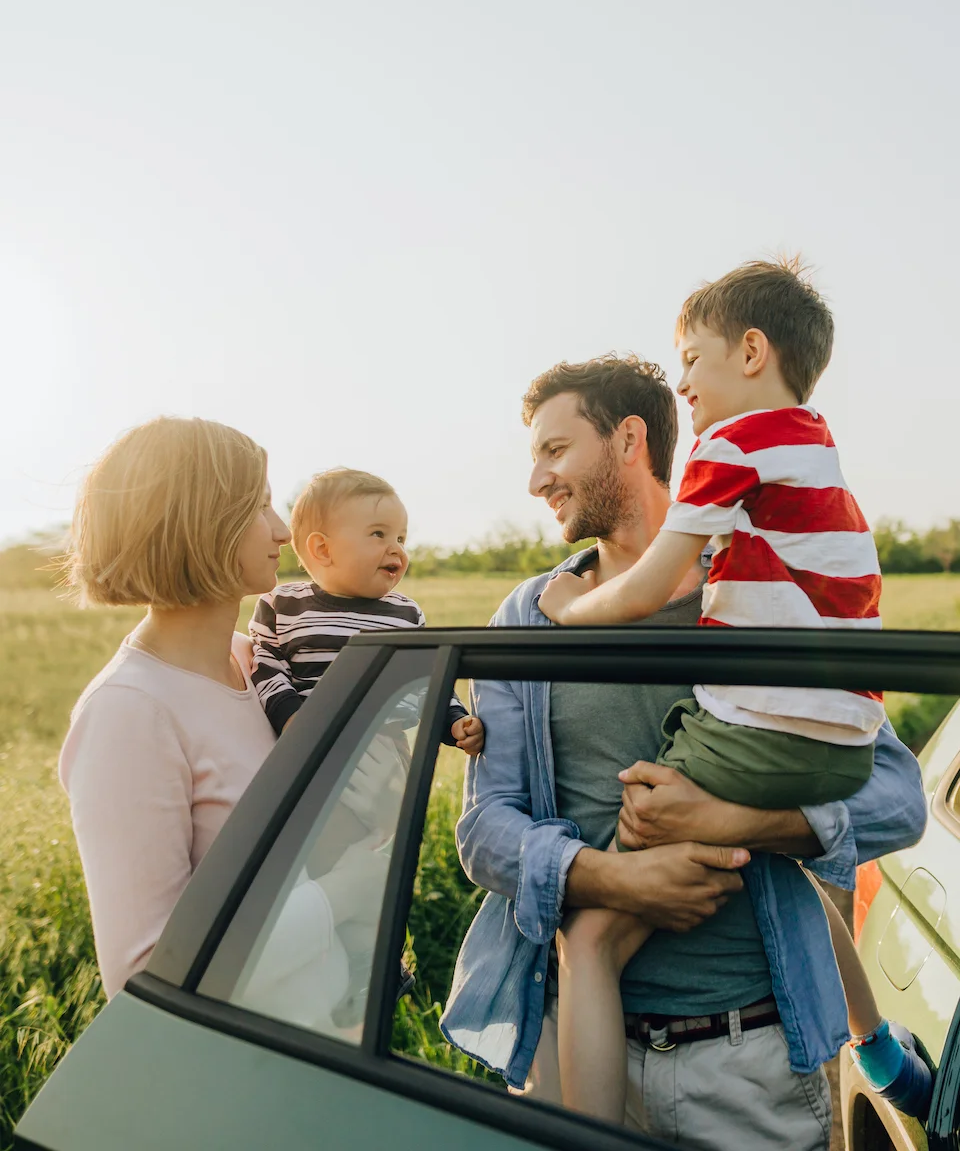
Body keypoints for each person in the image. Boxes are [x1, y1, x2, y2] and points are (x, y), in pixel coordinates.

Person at [440, 351, 927, 1151]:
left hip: (752, 1064)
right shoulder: (527, 619)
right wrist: (613, 876)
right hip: (571, 1049)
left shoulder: (766, 592)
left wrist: (733, 819)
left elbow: (897, 798)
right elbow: (485, 828)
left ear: (629, 438)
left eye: (555, 451)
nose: (536, 480)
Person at [60, 416, 290, 998]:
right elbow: (144, 977)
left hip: (327, 1045)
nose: (283, 529)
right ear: (200, 523)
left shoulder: (256, 663)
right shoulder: (130, 711)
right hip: (249, 1069)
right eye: (259, 507)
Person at [249, 467, 484, 754]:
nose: (396, 549)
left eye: (400, 538)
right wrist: (289, 716)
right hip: (308, 744)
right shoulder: (283, 605)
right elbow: (266, 666)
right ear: (323, 549)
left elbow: (427, 680)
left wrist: (455, 721)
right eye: (378, 534)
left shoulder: (405, 614)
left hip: (384, 748)